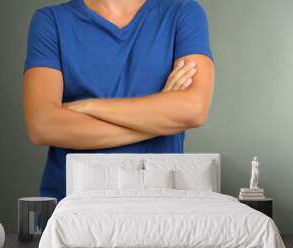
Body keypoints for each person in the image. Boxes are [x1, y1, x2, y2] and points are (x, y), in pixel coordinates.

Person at [22, 0, 215, 201]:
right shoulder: (51, 21)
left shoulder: (183, 13)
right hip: (73, 205)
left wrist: (88, 106)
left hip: (159, 204)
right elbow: (43, 126)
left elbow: (193, 110)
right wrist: (159, 118)